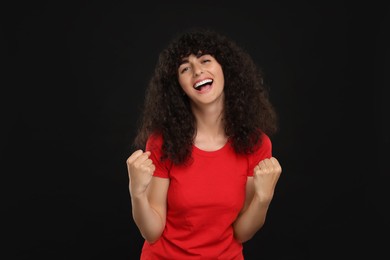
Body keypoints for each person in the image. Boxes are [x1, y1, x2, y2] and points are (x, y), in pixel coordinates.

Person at [126, 27, 282, 259]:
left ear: (225, 69)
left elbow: (242, 233)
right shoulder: (162, 142)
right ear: (179, 87)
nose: (198, 71)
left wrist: (263, 198)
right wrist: (136, 192)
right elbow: (152, 233)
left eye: (205, 60)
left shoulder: (256, 144)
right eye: (185, 68)